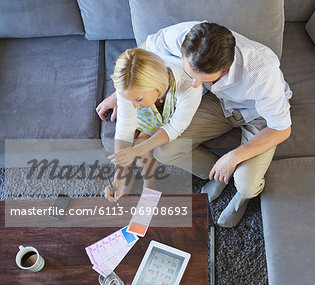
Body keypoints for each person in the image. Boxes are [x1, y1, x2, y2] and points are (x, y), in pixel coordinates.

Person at [97, 22, 292, 228]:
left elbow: (281, 129)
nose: (194, 85)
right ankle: (218, 176)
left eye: (201, 80)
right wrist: (119, 95)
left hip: (257, 113)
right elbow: (141, 55)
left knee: (247, 184)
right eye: (190, 75)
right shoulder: (187, 37)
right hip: (219, 103)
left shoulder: (262, 73)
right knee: (165, 151)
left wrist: (234, 156)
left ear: (225, 70)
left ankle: (240, 199)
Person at [101, 47, 202, 201]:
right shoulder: (130, 87)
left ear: (156, 86)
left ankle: (149, 184)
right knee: (132, 138)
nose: (133, 106)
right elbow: (124, 129)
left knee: (141, 146)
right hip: (148, 112)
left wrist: (136, 150)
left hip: (167, 113)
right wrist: (118, 178)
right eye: (130, 100)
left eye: (138, 100)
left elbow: (174, 128)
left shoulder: (188, 84)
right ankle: (126, 180)